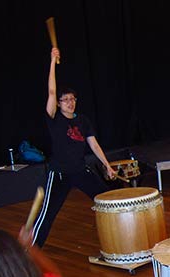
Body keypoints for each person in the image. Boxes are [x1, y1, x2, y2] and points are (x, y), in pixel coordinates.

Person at [31, 47, 116, 247]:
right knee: (47, 214)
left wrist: (107, 165)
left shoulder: (83, 121)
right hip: (59, 174)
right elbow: (51, 91)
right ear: (59, 104)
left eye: (73, 99)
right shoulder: (54, 118)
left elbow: (93, 144)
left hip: (80, 171)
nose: (70, 103)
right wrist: (52, 60)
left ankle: (117, 240)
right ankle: (31, 251)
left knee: (107, 201)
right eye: (65, 100)